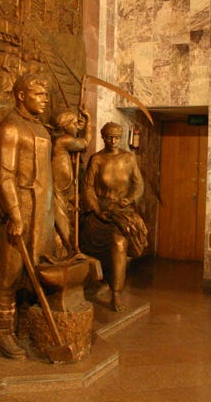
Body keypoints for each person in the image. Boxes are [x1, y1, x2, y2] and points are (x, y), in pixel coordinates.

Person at [0, 73, 55, 359]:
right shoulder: (10, 127)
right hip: (20, 207)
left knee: (35, 271)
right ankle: (4, 333)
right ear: (21, 95)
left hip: (42, 210)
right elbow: (4, 175)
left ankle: (26, 326)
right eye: (39, 94)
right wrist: (14, 214)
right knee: (9, 274)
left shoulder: (42, 129)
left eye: (46, 95)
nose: (45, 100)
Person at [80, 122, 147, 311]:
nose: (113, 141)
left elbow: (138, 184)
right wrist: (96, 210)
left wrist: (129, 198)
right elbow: (88, 187)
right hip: (101, 211)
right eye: (109, 137)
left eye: (116, 137)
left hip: (122, 211)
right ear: (103, 137)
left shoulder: (128, 158)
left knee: (119, 243)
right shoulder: (97, 159)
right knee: (86, 240)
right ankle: (100, 280)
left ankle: (116, 293)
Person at [50, 105, 91, 252]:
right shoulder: (63, 140)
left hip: (65, 188)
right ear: (65, 125)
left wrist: (80, 129)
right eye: (74, 124)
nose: (77, 127)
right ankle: (65, 251)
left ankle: (66, 250)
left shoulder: (59, 139)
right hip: (59, 188)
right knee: (61, 224)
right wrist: (88, 121)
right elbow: (84, 143)